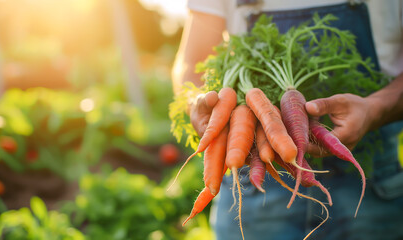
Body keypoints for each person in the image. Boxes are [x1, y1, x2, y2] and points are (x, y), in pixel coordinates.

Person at [172, 0, 403, 239]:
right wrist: (195, 103)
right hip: (255, 178)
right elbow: (193, 63)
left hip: (369, 184)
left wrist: (375, 109)